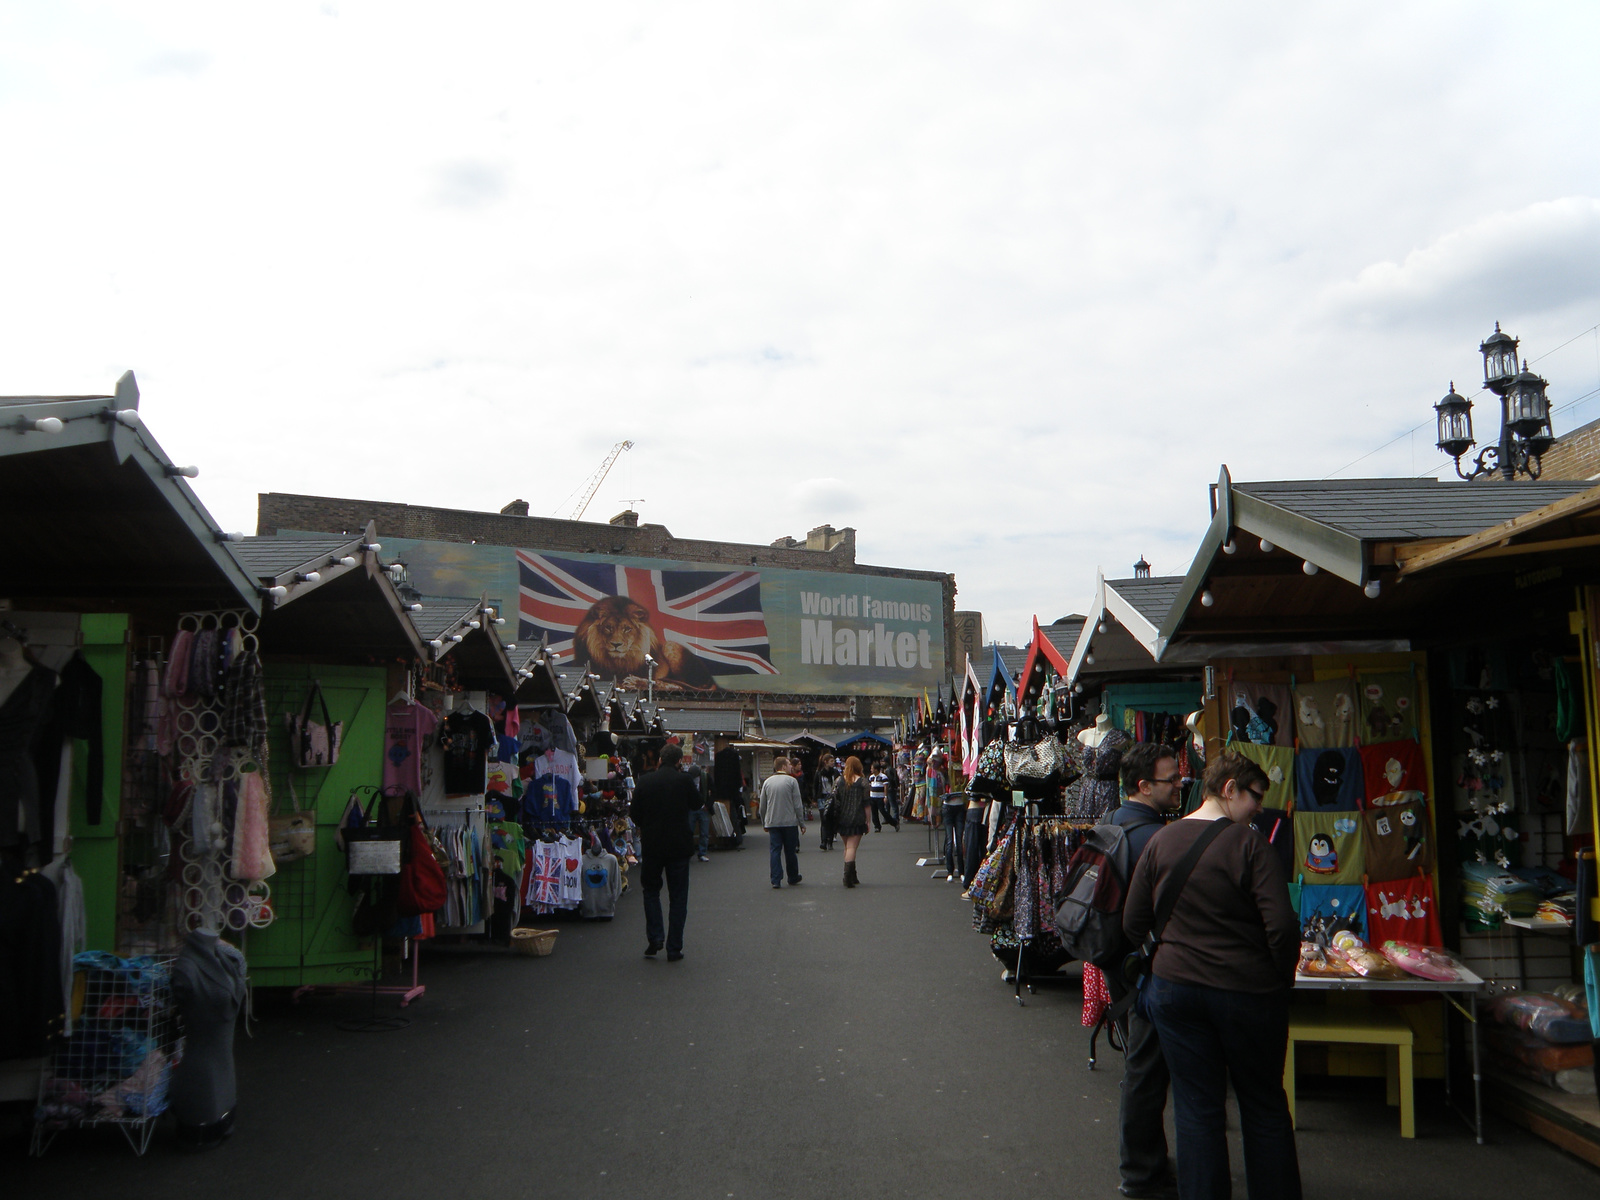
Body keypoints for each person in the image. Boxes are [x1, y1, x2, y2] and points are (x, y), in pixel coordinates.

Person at [1123, 751, 1301, 1200]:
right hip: (1247, 993)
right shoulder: (1250, 845)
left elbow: (1132, 922)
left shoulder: (1162, 841)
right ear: (1229, 790)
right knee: (1262, 1106)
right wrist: (1280, 982)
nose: (1259, 807)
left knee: (1196, 1109)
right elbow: (1281, 927)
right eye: (1255, 797)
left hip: (1175, 992)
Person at [1106, 743, 1185, 1199]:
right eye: (1170, 779)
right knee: (1146, 1070)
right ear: (1143, 786)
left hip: (1118, 961)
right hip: (1146, 966)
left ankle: (1147, 1160)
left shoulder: (1115, 821)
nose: (1179, 785)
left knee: (1143, 1066)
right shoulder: (1154, 837)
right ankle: (1140, 1173)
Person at [630, 742, 699, 962]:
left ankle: (655, 937)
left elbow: (634, 813)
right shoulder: (684, 781)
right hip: (679, 845)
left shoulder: (645, 781)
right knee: (678, 897)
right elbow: (698, 804)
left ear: (660, 759)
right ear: (679, 761)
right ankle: (674, 947)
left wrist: (646, 825)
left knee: (651, 890)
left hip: (652, 845)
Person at [759, 756, 806, 888]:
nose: (791, 766)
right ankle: (792, 876)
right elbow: (798, 804)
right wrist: (801, 823)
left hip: (773, 822)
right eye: (789, 764)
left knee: (775, 850)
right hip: (789, 822)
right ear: (784, 767)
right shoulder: (792, 781)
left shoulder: (767, 782)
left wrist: (764, 822)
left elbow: (762, 806)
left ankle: (775, 879)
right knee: (790, 851)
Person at [832, 756, 871, 887]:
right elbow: (866, 804)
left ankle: (852, 875)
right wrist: (868, 821)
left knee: (847, 847)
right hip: (857, 818)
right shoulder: (863, 782)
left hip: (842, 818)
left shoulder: (839, 781)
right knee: (852, 847)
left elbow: (834, 798)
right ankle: (847, 878)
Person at [815, 752, 841, 850]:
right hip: (822, 797)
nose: (833, 763)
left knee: (832, 819)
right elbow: (815, 786)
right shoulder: (819, 773)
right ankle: (823, 841)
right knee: (824, 819)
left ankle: (830, 840)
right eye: (831, 761)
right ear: (825, 762)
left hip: (833, 797)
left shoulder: (835, 773)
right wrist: (814, 798)